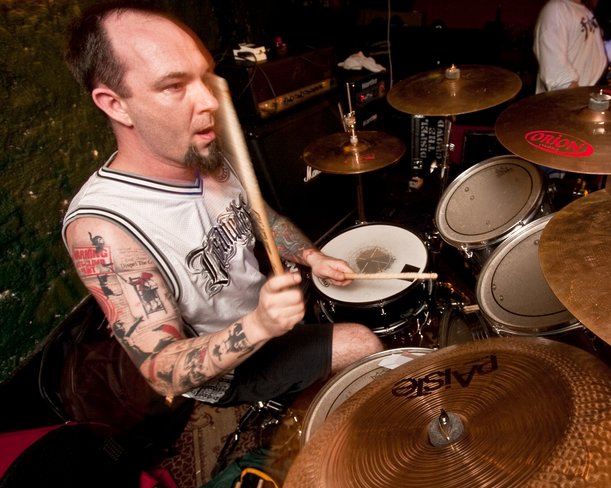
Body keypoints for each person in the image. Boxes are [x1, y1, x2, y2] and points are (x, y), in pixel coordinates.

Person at [62, 1, 383, 407]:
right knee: (364, 343)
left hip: (264, 314)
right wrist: (260, 325)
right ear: (115, 104)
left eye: (204, 78)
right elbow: (161, 368)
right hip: (229, 367)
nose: (209, 102)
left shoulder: (202, 153)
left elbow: (260, 217)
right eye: (174, 86)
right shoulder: (103, 229)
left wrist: (311, 257)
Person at [533, 0, 608, 93]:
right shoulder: (556, 10)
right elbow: (555, 70)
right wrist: (576, 97)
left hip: (588, 94)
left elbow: (590, 50)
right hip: (567, 98)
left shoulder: (585, 10)